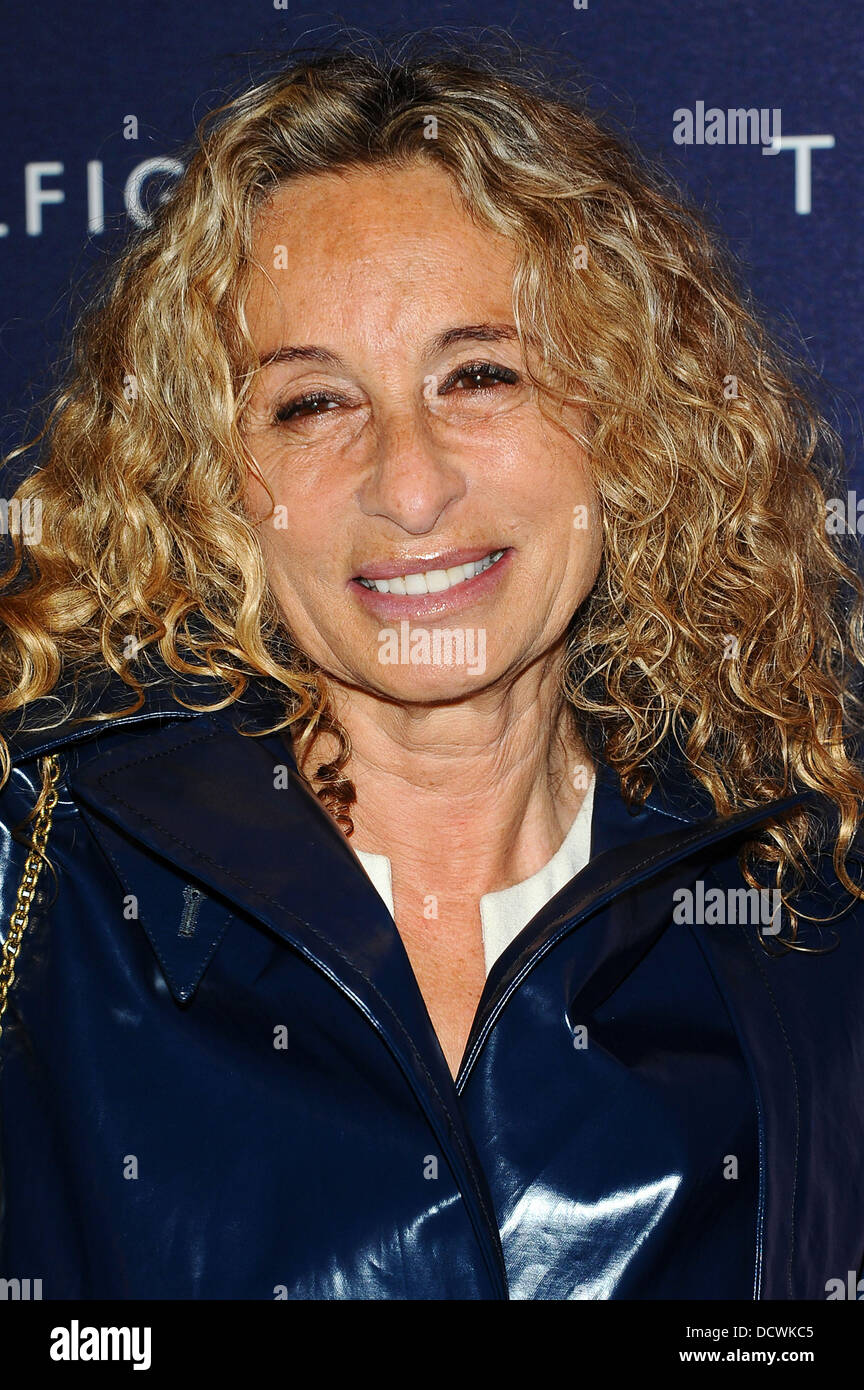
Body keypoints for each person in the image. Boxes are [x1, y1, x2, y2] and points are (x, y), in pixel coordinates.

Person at [0, 39, 862, 1301]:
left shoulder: (808, 897)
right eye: (313, 404)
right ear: (211, 477)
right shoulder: (44, 879)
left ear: (627, 417)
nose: (410, 486)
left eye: (480, 375)